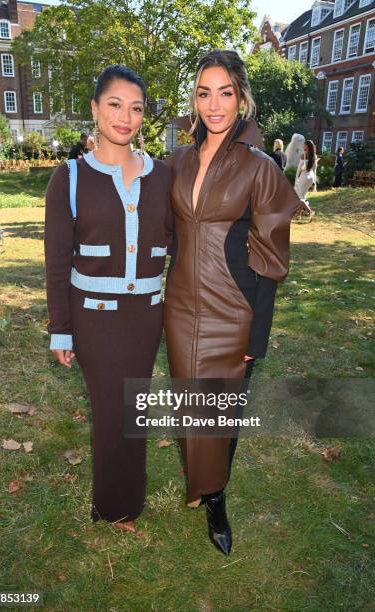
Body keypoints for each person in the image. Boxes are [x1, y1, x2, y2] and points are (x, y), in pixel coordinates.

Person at [164, 50, 300, 556]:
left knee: (223, 415)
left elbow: (271, 259)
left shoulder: (260, 167)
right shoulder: (176, 161)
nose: (213, 104)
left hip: (234, 310)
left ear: (241, 97)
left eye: (224, 92)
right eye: (204, 93)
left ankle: (216, 497)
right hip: (179, 308)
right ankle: (201, 481)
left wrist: (254, 337)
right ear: (194, 100)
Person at [44, 65, 172, 535]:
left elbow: (176, 241)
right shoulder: (70, 178)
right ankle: (113, 507)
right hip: (94, 319)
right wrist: (61, 327)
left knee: (134, 405)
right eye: (115, 104)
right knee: (109, 409)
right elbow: (57, 262)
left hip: (146, 317)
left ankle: (129, 499)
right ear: (95, 108)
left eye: (136, 108)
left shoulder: (163, 175)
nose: (125, 117)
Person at [294, 140, 318, 220]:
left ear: (307, 146)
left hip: (304, 177)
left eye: (304, 145)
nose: (303, 146)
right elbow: (314, 170)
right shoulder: (314, 156)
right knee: (302, 197)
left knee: (299, 198)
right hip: (310, 177)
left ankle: (310, 212)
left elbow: (298, 169)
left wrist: (296, 179)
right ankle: (299, 215)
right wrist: (314, 182)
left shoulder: (303, 155)